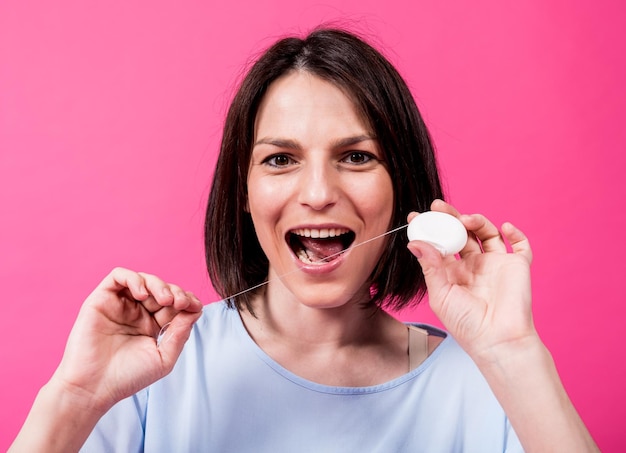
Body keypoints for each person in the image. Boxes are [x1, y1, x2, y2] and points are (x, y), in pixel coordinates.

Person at [9, 28, 598, 452]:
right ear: (242, 190)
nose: (318, 192)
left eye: (357, 156)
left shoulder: (483, 383)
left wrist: (514, 353)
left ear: (405, 191)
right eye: (281, 159)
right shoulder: (151, 370)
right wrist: (76, 395)